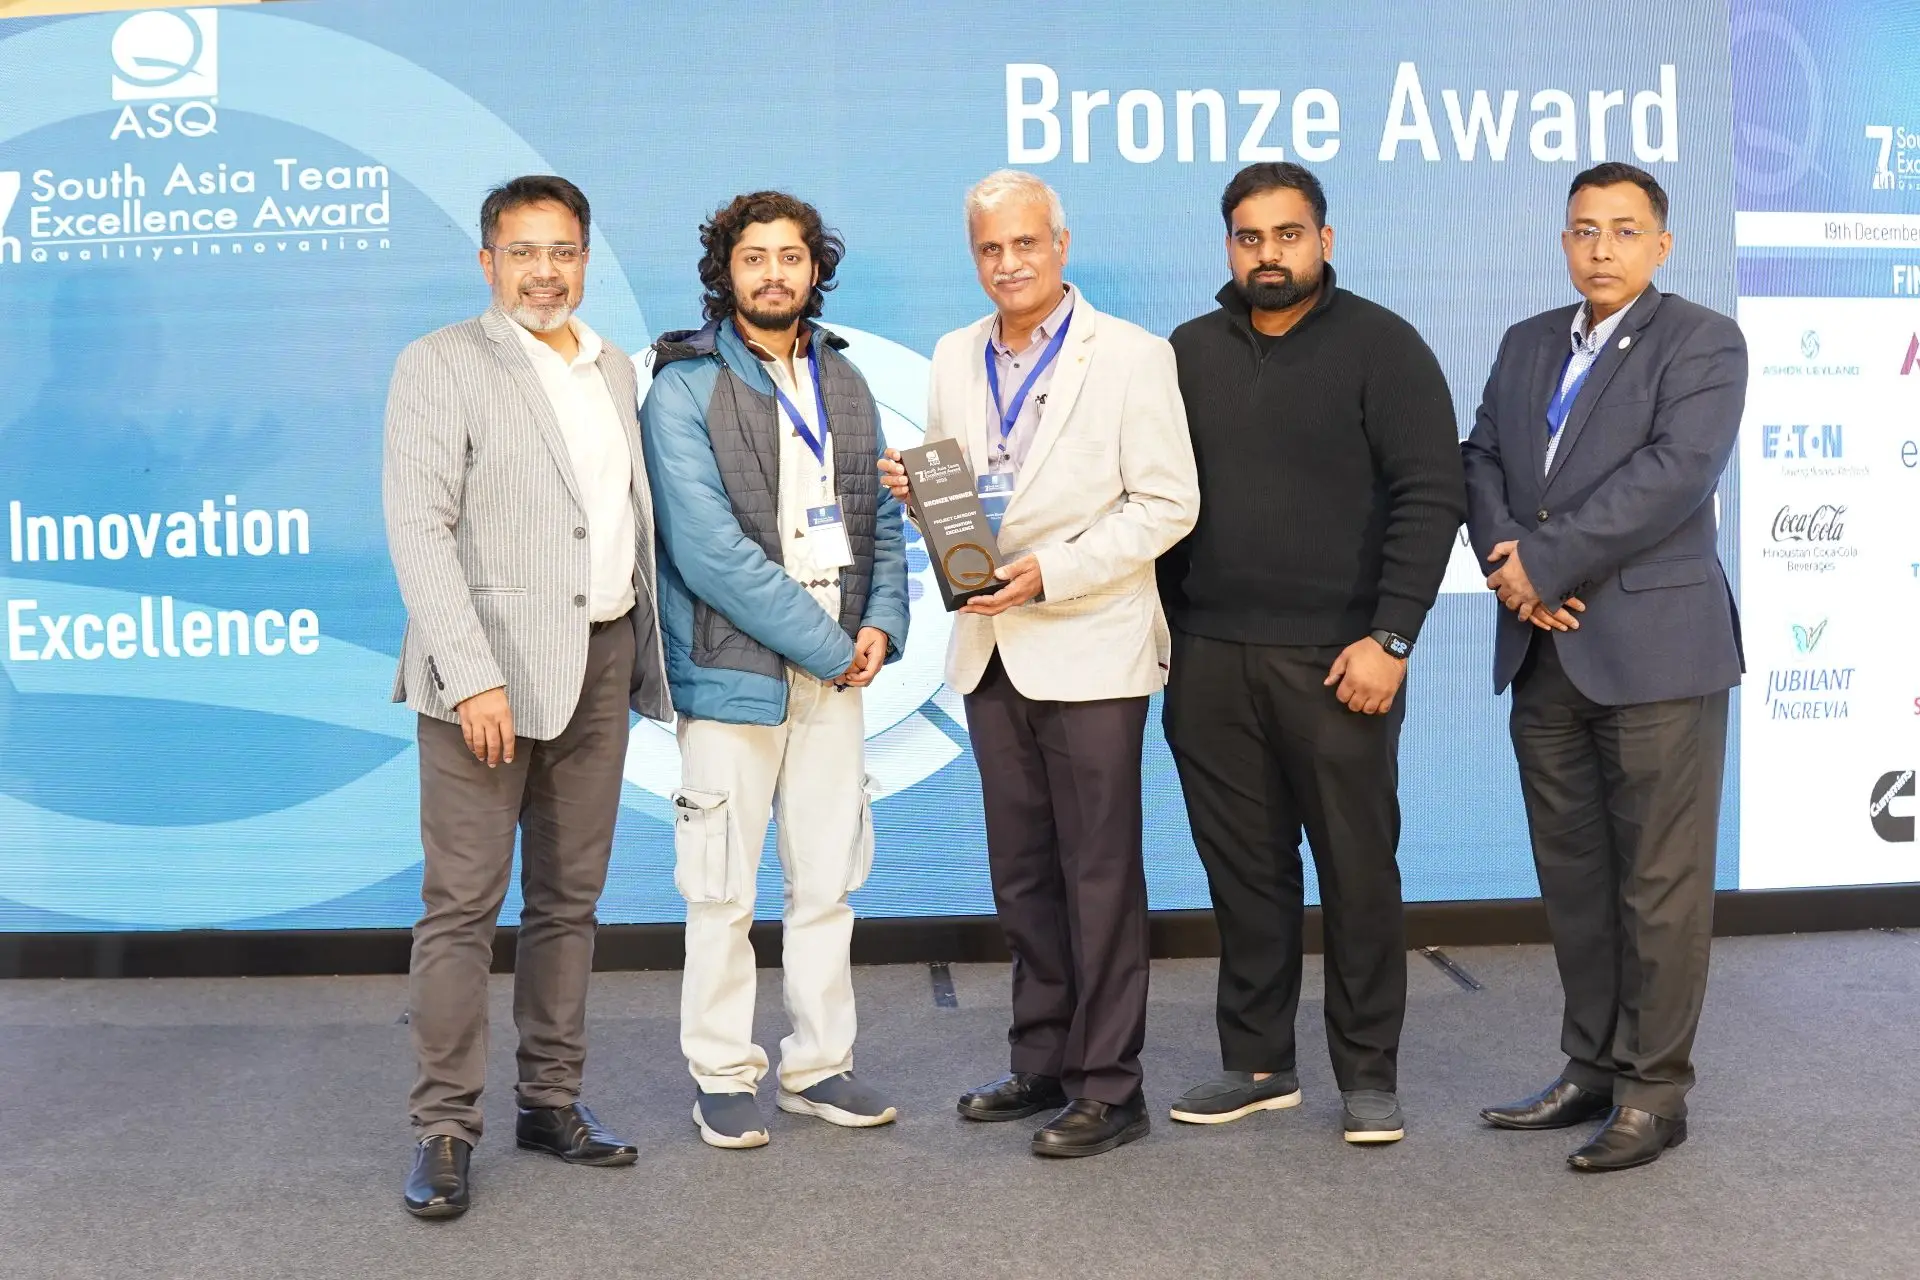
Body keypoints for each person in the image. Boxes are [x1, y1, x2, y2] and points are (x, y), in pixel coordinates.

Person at [880, 170, 1199, 1158]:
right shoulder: (953, 354)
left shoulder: (1135, 356)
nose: (1008, 263)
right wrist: (921, 499)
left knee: (1097, 874)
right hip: (989, 649)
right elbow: (965, 501)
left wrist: (1050, 573)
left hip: (1092, 644)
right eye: (990, 248)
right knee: (1022, 874)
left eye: (1025, 243)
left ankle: (1110, 1085)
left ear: (1061, 245)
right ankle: (1043, 1058)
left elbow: (1168, 504)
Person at [1157, 162, 1464, 1147]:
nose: (1269, 254)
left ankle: (1369, 1074)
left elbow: (1432, 495)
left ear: (1324, 241)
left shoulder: (1385, 346)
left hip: (1343, 662)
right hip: (1210, 660)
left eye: (1288, 235)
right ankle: (1257, 1064)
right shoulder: (1186, 352)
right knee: (1244, 874)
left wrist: (1392, 637)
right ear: (1229, 247)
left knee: (1358, 872)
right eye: (1249, 237)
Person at [383, 175, 671, 1219]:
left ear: (585, 259)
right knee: (462, 908)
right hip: (486, 681)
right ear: (487, 262)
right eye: (522, 251)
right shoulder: (439, 362)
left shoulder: (613, 368)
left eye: (562, 251)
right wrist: (474, 675)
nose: (544, 271)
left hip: (600, 662)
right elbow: (419, 529)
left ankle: (550, 1101)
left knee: (568, 903)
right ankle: (444, 1127)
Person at [1462, 162, 1745, 1172]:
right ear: (1564, 240)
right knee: (1576, 879)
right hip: (1543, 648)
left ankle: (1654, 1093)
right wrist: (1512, 567)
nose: (1602, 249)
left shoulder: (1703, 340)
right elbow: (1479, 457)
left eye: (1625, 231)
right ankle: (1591, 1064)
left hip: (1656, 654)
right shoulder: (1526, 340)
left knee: (1660, 884)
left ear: (1661, 244)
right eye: (1585, 230)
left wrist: (1545, 562)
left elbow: (1674, 476)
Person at [642, 191, 910, 1151]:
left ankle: (819, 1066)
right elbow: (707, 552)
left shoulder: (847, 379)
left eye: (790, 256)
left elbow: (880, 522)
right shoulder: (682, 387)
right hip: (735, 673)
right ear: (726, 271)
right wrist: (832, 647)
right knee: (720, 887)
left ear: (815, 268)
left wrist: (881, 625)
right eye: (753, 257)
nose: (773, 274)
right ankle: (722, 1073)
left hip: (836, 674)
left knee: (828, 882)